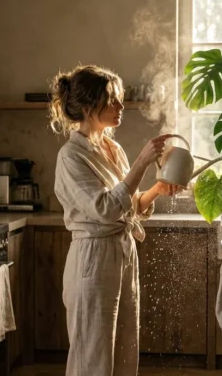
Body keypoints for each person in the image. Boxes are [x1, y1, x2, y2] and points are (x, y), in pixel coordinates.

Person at [50, 65, 184, 376]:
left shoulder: (112, 148)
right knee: (92, 358)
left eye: (119, 99)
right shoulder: (71, 156)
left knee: (124, 350)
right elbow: (106, 209)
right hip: (93, 260)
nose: (120, 106)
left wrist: (156, 190)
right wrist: (142, 162)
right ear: (88, 106)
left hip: (122, 255)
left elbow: (130, 205)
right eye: (112, 100)